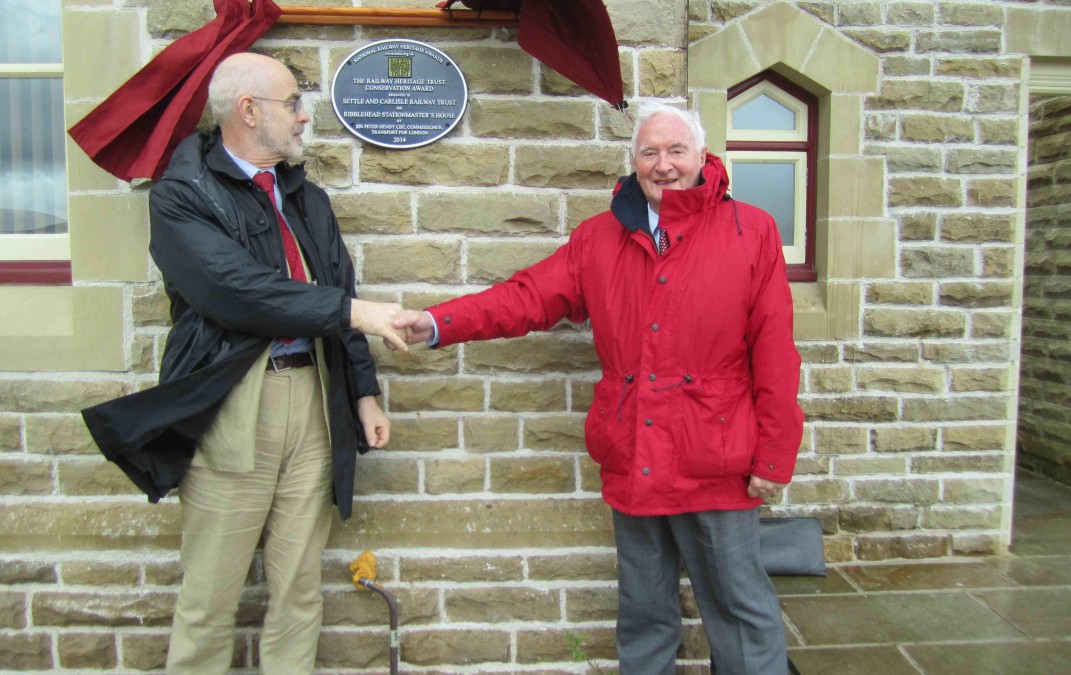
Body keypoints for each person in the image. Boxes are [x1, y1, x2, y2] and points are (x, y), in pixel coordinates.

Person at [393, 102, 804, 674]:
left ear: (704, 157)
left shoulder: (751, 231)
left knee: (740, 611)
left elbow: (776, 354)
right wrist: (439, 322)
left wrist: (775, 455)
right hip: (634, 450)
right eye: (650, 152)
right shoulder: (598, 238)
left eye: (676, 151)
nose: (664, 165)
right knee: (643, 613)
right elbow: (526, 298)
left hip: (717, 458)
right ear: (633, 162)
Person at [84, 52, 409, 674]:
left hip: (314, 403)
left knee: (298, 591)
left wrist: (363, 391)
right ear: (249, 110)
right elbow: (233, 291)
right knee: (211, 598)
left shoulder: (304, 196)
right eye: (293, 103)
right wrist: (359, 313)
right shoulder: (181, 195)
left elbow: (336, 281)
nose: (304, 117)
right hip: (236, 406)